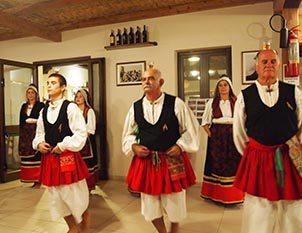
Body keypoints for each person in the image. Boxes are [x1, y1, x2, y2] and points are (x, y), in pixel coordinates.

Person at [122, 66, 199, 233]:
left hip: (171, 160)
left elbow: (191, 130)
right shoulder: (135, 108)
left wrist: (180, 145)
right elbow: (128, 134)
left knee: (175, 202)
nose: (146, 82)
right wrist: (133, 146)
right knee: (150, 203)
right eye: (143, 79)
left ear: (161, 82)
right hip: (147, 161)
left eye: (151, 78)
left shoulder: (176, 103)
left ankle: (174, 230)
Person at [233, 49, 302, 233]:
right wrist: (255, 153)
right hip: (259, 157)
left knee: (294, 207)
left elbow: (301, 124)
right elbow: (239, 133)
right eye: (264, 62)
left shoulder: (293, 92)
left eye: (273, 61)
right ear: (257, 66)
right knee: (259, 209)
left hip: (289, 157)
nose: (269, 65)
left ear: (279, 65)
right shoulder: (245, 96)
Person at [32, 73, 90, 233]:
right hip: (50, 159)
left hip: (67, 157)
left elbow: (80, 133)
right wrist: (39, 144)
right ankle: (72, 227)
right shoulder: (43, 111)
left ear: (63, 87)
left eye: (53, 83)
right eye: (48, 83)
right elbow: (39, 134)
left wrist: (63, 145)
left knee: (74, 194)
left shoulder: (70, 107)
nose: (49, 85)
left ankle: (85, 223)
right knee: (56, 196)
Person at [200, 75, 244, 205]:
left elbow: (243, 120)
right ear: (217, 88)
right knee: (216, 166)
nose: (223, 88)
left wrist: (239, 135)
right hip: (217, 138)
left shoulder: (237, 102)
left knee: (233, 165)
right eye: (220, 85)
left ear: (230, 87)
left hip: (232, 136)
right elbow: (205, 122)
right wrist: (211, 135)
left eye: (225, 85)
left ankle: (233, 196)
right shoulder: (211, 103)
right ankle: (216, 195)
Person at [18, 84, 45, 188]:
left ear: (36, 94)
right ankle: (31, 178)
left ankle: (39, 180)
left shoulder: (40, 105)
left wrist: (35, 121)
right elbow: (21, 121)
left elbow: (43, 120)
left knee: (37, 157)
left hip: (36, 133)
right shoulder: (23, 106)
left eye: (32, 93)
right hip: (26, 136)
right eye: (28, 93)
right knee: (28, 158)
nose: (30, 95)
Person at [74, 88, 99, 191]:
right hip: (75, 142)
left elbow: (91, 128)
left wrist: (82, 137)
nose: (78, 98)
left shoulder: (89, 111)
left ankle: (88, 187)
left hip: (86, 142)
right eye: (77, 96)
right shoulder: (73, 111)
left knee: (86, 164)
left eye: (81, 96)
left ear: (85, 98)